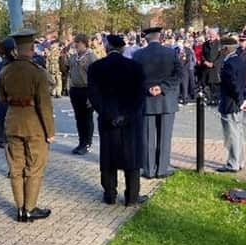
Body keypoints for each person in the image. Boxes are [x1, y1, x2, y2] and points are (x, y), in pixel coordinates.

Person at [0, 30, 55, 222]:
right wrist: (50, 132)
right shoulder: (37, 72)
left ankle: (20, 209)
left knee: (15, 169)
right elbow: (44, 105)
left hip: (12, 124)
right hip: (34, 126)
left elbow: (1, 98)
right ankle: (30, 208)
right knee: (34, 168)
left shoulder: (5, 71)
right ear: (31, 48)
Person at [88, 35, 146, 206]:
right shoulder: (135, 67)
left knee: (108, 157)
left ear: (107, 47)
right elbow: (140, 96)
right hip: (131, 119)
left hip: (107, 119)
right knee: (132, 157)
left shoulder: (96, 67)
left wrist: (108, 114)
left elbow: (93, 95)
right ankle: (132, 197)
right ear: (122, 48)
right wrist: (127, 115)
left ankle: (109, 195)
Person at [133, 27, 182, 179]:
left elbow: (134, 78)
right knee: (165, 136)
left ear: (146, 38)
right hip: (166, 99)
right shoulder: (171, 53)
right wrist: (162, 87)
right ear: (160, 37)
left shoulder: (138, 54)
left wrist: (148, 88)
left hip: (147, 100)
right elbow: (179, 74)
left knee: (147, 136)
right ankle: (161, 169)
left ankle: (148, 169)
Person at [216, 37, 246, 173]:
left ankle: (233, 163)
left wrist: (241, 100)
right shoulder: (239, 60)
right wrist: (245, 99)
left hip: (231, 102)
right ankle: (240, 160)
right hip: (237, 100)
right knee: (238, 132)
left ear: (225, 49)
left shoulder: (229, 63)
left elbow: (233, 84)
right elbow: (244, 82)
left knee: (232, 134)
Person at [68, 34, 98, 155]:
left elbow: (95, 77)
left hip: (87, 90)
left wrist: (93, 95)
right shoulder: (73, 57)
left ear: (84, 43)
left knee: (87, 118)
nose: (75, 45)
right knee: (78, 118)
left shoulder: (91, 57)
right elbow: (67, 70)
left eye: (78, 43)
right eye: (75, 42)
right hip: (75, 89)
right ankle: (81, 142)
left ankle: (87, 143)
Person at [202, 29, 222, 105]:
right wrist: (205, 62)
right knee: (207, 85)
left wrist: (214, 64)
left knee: (216, 85)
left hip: (216, 68)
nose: (211, 37)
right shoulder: (205, 44)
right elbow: (203, 55)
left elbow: (221, 56)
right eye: (209, 35)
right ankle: (209, 99)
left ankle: (216, 100)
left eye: (212, 35)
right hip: (206, 68)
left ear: (216, 35)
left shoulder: (220, 44)